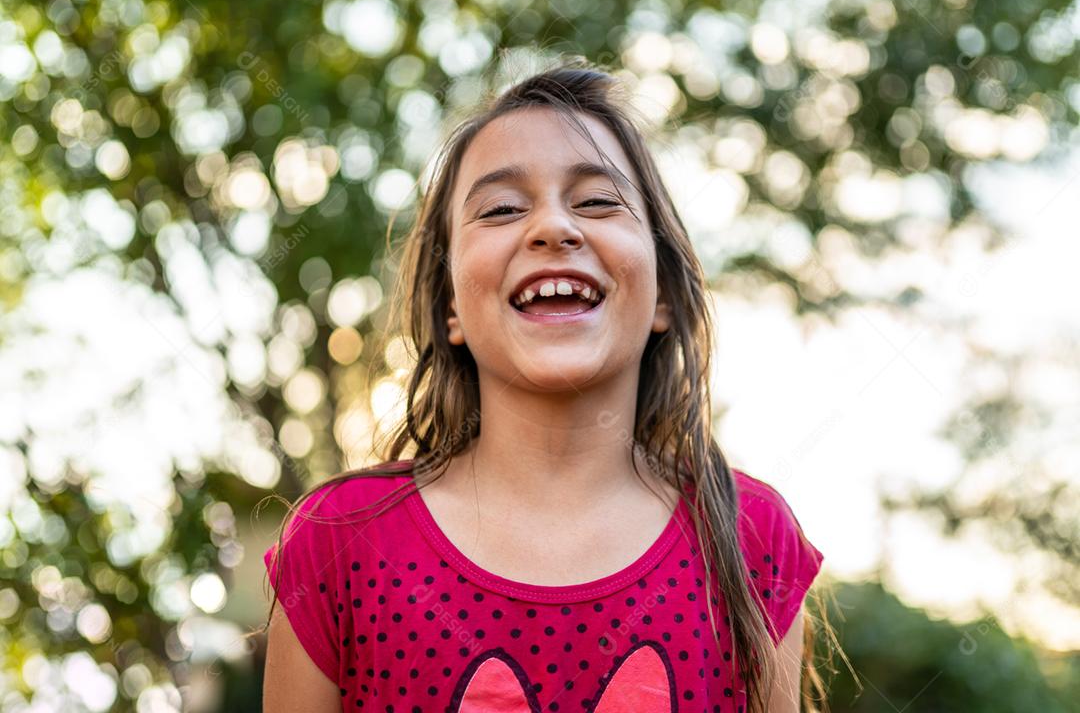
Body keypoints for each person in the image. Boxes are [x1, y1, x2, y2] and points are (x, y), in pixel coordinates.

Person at [260, 58, 831, 713]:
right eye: (501, 209)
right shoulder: (337, 545)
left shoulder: (750, 538)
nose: (554, 228)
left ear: (664, 298)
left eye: (596, 201)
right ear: (451, 308)